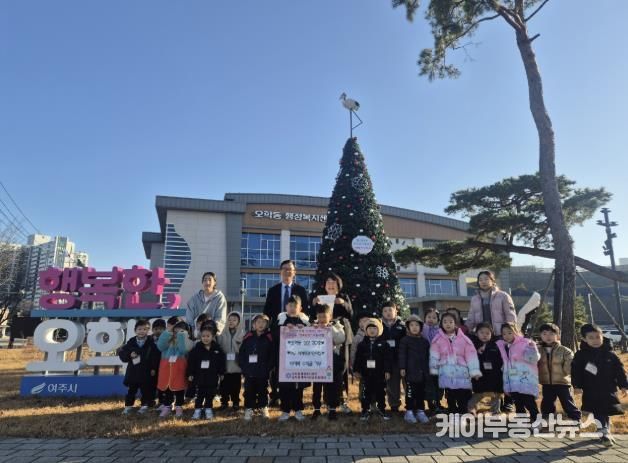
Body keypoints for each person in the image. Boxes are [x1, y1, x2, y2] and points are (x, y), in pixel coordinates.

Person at [572, 324, 628, 446]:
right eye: (591, 338)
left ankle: (604, 430)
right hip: (590, 388)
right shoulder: (581, 355)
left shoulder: (610, 354)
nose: (595, 340)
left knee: (606, 410)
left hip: (608, 388)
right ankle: (604, 431)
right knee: (598, 410)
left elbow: (619, 370)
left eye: (598, 337)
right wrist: (577, 386)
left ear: (602, 337)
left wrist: (624, 385)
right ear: (584, 339)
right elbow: (576, 371)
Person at [263, 259, 309, 405]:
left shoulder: (301, 290)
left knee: (294, 363)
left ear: (294, 272)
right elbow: (267, 312)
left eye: (290, 269)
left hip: (296, 335)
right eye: (285, 269)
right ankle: (275, 395)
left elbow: (306, 312)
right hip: (278, 333)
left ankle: (295, 395)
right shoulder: (273, 290)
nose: (287, 271)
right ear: (280, 271)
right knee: (277, 364)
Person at [311, 272, 353, 413]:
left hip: (340, 336)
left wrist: (344, 304)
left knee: (341, 369)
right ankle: (326, 401)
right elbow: (311, 315)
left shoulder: (343, 297)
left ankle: (342, 400)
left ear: (338, 285)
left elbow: (351, 314)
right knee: (323, 368)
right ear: (324, 285)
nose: (330, 285)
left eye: (333, 282)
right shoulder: (319, 297)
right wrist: (313, 303)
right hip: (321, 338)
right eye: (328, 282)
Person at [429, 312, 481, 414]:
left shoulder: (464, 339)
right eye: (445, 322)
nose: (448, 324)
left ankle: (463, 411)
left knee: (463, 394)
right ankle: (452, 410)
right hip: (446, 371)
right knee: (450, 394)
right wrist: (434, 369)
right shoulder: (437, 339)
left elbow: (471, 356)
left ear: (455, 324)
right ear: (441, 324)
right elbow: (434, 355)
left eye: (450, 322)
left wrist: (474, 370)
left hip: (462, 372)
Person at [274, 295, 310, 421]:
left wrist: (304, 330)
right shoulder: (280, 320)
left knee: (298, 387)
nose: (292, 308)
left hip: (300, 360)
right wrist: (283, 328)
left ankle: (298, 410)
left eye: (295, 306)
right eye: (290, 305)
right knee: (284, 386)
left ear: (300, 308)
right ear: (286, 307)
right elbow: (274, 336)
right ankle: (285, 410)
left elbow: (311, 338)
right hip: (284, 360)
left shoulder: (305, 322)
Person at [496, 322, 540, 425]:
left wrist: (532, 349)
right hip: (513, 381)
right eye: (504, 334)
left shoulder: (525, 343)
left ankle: (537, 420)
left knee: (529, 402)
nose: (507, 336)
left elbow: (534, 359)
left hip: (526, 380)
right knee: (518, 403)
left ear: (516, 332)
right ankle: (522, 421)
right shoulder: (503, 346)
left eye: (509, 332)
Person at [537, 323, 581, 422]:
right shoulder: (538, 350)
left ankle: (576, 418)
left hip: (562, 382)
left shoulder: (565, 351)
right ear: (541, 335)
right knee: (547, 401)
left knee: (567, 401)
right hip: (546, 382)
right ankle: (547, 418)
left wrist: (567, 371)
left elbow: (570, 365)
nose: (548, 336)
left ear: (558, 335)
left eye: (551, 334)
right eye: (544, 334)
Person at [353, 317, 393, 421]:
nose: (372, 330)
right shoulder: (362, 344)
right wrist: (356, 370)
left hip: (379, 373)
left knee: (380, 392)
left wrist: (387, 371)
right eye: (369, 328)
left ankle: (381, 410)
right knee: (366, 393)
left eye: (374, 328)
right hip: (366, 374)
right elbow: (358, 358)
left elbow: (387, 359)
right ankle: (365, 411)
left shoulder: (384, 344)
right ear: (366, 330)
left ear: (379, 330)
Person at [311, 304, 346, 421]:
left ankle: (332, 409)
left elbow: (341, 339)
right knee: (317, 387)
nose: (322, 319)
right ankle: (316, 409)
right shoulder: (312, 327)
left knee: (332, 386)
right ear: (317, 316)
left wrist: (330, 329)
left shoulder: (337, 326)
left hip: (332, 361)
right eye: (320, 317)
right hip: (317, 361)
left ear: (330, 316)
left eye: (324, 316)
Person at [118, 319, 160, 415]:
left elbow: (155, 357)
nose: (142, 331)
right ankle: (128, 406)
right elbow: (122, 353)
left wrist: (154, 368)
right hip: (133, 372)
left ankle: (144, 406)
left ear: (148, 331)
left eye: (145, 329)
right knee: (131, 390)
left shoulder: (151, 343)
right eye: (139, 329)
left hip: (146, 371)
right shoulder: (131, 342)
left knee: (146, 390)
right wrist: (129, 355)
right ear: (135, 330)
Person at [239, 314, 274, 421]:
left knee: (263, 390)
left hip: (263, 370)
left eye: (263, 322)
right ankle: (249, 408)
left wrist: (268, 367)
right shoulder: (248, 337)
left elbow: (272, 355)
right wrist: (244, 367)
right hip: (249, 370)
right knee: (249, 390)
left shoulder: (269, 337)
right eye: (258, 322)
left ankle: (263, 407)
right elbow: (242, 353)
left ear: (267, 324)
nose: (260, 324)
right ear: (253, 324)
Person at [187, 324, 226, 420]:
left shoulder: (217, 349)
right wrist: (190, 373)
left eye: (208, 336)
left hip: (212, 376)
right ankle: (198, 409)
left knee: (210, 393)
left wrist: (221, 372)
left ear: (213, 337)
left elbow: (221, 362)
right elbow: (191, 362)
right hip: (199, 376)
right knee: (200, 394)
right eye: (203, 336)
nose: (205, 338)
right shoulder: (196, 349)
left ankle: (208, 408)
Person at [156, 320, 194, 418]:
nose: (178, 334)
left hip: (179, 369)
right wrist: (167, 332)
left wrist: (182, 336)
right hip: (166, 369)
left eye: (181, 332)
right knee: (167, 390)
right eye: (176, 331)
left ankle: (179, 406)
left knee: (179, 389)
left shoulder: (189, 342)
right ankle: (167, 406)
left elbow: (183, 350)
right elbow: (160, 347)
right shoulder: (169, 340)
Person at [398, 314, 430, 424]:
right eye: (412, 325)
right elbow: (402, 354)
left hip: (422, 372)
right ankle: (409, 411)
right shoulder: (405, 340)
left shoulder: (424, 341)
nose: (414, 327)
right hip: (410, 372)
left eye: (417, 325)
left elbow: (428, 356)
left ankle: (420, 411)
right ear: (408, 327)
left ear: (421, 327)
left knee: (421, 392)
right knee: (410, 392)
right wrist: (402, 367)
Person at [467, 322, 503, 416]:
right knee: (478, 393)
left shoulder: (496, 345)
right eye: (482, 332)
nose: (484, 335)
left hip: (494, 375)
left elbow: (500, 360)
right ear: (476, 333)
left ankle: (495, 411)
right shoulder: (472, 345)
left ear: (491, 334)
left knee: (496, 394)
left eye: (487, 333)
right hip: (480, 375)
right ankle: (471, 408)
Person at [466, 270, 516, 334]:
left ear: (492, 281)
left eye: (486, 279)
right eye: (480, 280)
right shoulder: (474, 299)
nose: (483, 282)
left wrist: (509, 332)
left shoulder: (503, 296)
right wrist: (465, 329)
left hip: (500, 334)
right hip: (482, 335)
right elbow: (471, 319)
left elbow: (510, 316)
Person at [217, 311, 245, 412]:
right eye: (229, 319)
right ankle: (224, 402)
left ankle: (236, 402)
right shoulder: (222, 335)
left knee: (236, 387)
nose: (231, 322)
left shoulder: (242, 335)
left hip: (236, 367)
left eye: (234, 320)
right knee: (224, 387)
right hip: (225, 366)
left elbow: (244, 350)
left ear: (239, 322)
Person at [381, 302, 406, 413]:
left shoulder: (403, 326)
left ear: (396, 311)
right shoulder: (379, 325)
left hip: (400, 358)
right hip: (387, 359)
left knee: (406, 382)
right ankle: (394, 405)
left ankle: (411, 404)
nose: (388, 313)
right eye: (385, 311)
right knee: (392, 383)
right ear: (382, 313)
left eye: (390, 310)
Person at [422, 308, 445, 415]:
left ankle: (438, 402)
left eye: (434, 318)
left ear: (438, 320)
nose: (431, 319)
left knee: (438, 383)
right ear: (424, 318)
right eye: (429, 317)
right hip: (426, 361)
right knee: (429, 383)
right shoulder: (422, 329)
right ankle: (431, 404)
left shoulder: (440, 331)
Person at [151, 319, 166, 409]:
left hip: (163, 366)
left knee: (162, 384)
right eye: (156, 329)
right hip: (152, 367)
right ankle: (151, 401)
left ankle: (162, 401)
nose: (158, 331)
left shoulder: (167, 340)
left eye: (161, 329)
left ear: (165, 330)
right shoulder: (149, 340)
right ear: (152, 330)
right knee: (151, 384)